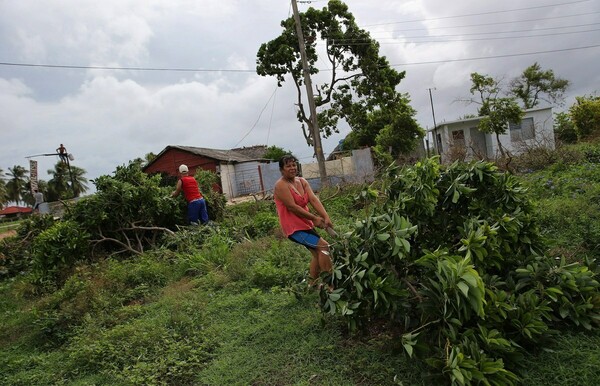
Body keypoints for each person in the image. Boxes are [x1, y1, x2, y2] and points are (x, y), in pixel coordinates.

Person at [274, 155, 333, 284]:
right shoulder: (280, 185)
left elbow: (313, 199)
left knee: (317, 253)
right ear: (282, 169)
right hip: (294, 229)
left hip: (306, 225)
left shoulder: (302, 181)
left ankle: (312, 285)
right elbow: (292, 207)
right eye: (288, 166)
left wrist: (325, 216)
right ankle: (329, 285)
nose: (292, 168)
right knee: (324, 247)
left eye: (294, 165)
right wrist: (315, 218)